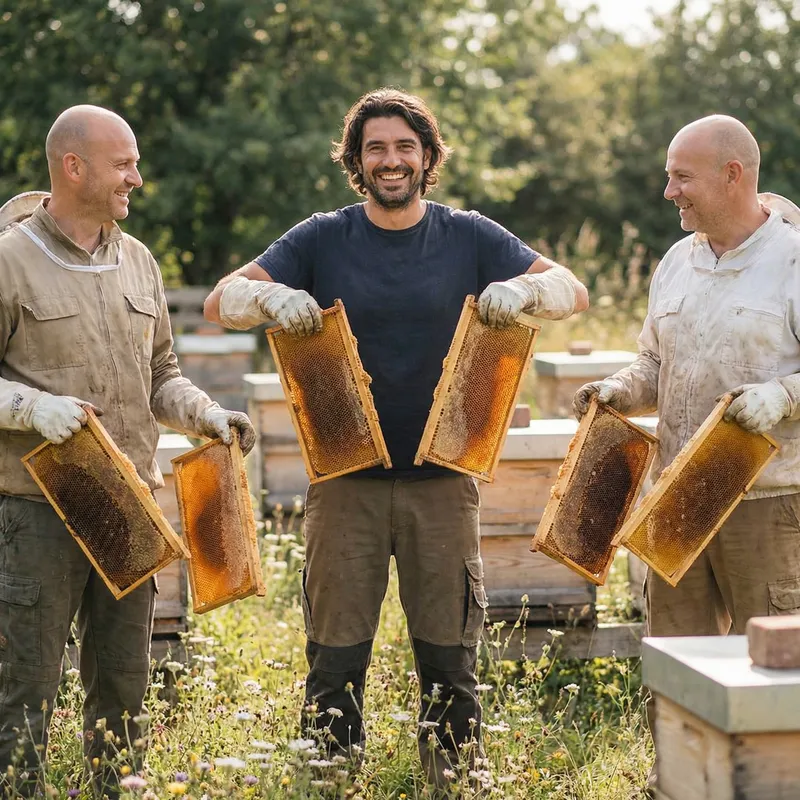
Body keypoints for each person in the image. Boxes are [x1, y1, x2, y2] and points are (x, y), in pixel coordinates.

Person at [204, 87, 588, 787]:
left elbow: (573, 289)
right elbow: (219, 300)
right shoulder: (321, 237)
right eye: (375, 147)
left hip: (442, 481)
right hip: (344, 485)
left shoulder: (469, 235)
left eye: (405, 146)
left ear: (427, 157)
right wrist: (268, 295)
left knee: (449, 659)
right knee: (334, 660)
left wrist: (528, 292)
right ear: (356, 160)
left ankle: (453, 782)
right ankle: (330, 781)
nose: (391, 160)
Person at [0, 105, 255, 796]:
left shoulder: (138, 260)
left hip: (128, 505)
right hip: (37, 511)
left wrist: (206, 415)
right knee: (23, 690)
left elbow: (161, 373)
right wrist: (32, 408)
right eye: (123, 164)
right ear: (72, 167)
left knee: (124, 690)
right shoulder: (9, 260)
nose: (136, 178)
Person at [574, 115, 800, 638]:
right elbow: (655, 364)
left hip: (766, 504)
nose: (669, 191)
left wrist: (783, 396)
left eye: (682, 177)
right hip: (676, 498)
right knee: (674, 665)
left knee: (773, 668)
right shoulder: (677, 260)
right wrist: (618, 390)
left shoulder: (792, 261)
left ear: (732, 174)